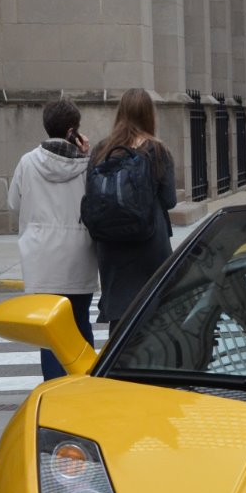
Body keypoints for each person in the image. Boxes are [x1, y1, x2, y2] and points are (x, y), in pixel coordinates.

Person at [6, 98, 97, 380]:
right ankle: (83, 385)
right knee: (80, 324)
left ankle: (55, 388)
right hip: (78, 254)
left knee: (49, 332)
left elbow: (13, 203)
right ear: (74, 130)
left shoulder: (27, 162)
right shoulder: (86, 165)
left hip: (41, 257)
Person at [84, 88, 177, 325]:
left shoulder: (102, 150)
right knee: (152, 314)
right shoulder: (157, 150)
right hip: (149, 243)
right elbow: (170, 200)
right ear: (149, 114)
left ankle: (119, 359)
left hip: (111, 245)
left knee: (120, 316)